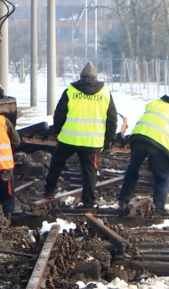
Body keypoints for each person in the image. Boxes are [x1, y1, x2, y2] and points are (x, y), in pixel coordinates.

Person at [43, 62, 117, 208]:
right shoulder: (105, 93)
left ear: (81, 76)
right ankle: (88, 202)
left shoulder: (71, 91)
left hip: (69, 138)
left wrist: (58, 131)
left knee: (57, 163)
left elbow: (59, 114)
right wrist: (109, 141)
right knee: (90, 171)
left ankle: (49, 190)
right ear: (96, 77)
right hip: (92, 142)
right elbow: (112, 119)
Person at [117, 95, 169, 215]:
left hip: (138, 137)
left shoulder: (155, 104)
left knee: (133, 169)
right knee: (162, 177)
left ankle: (123, 201)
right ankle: (158, 210)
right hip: (160, 143)